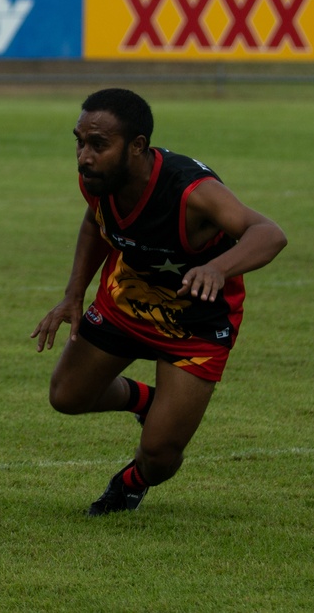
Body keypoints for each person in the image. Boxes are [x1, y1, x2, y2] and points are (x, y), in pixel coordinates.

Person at [31, 88, 286, 516]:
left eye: (98, 145)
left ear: (137, 147)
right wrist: (73, 293)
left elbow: (269, 233)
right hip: (126, 302)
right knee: (67, 396)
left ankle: (131, 481)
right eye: (79, 141)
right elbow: (96, 222)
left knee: (161, 456)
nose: (84, 156)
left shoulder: (191, 191)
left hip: (197, 321)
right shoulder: (98, 179)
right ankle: (147, 401)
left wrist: (217, 269)